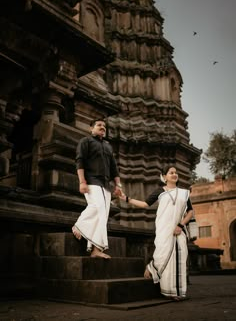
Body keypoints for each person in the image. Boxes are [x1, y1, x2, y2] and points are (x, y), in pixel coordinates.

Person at [120, 165, 193, 301]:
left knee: (179, 259)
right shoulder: (159, 192)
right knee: (162, 254)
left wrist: (180, 225)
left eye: (176, 173)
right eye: (171, 173)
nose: (174, 174)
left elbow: (190, 212)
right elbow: (145, 204)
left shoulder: (184, 193)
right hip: (164, 230)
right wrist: (126, 199)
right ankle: (153, 269)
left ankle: (177, 292)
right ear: (164, 176)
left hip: (179, 230)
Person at [72, 118, 122, 259]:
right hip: (91, 181)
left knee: (103, 216)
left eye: (104, 126)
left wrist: (118, 185)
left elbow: (114, 168)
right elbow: (79, 160)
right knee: (97, 208)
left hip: (106, 185)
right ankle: (79, 225)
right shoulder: (86, 141)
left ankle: (95, 249)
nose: (102, 128)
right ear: (91, 128)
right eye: (99, 125)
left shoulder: (107, 146)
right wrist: (82, 182)